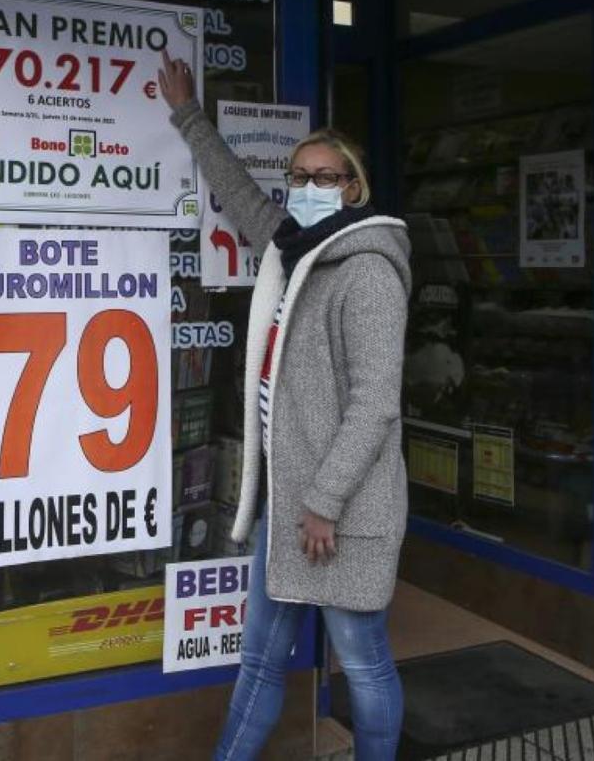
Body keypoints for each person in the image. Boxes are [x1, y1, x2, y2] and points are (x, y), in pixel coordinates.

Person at [158, 52, 410, 760]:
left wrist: (325, 501)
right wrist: (187, 114)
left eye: (323, 177)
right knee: (260, 662)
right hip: (289, 507)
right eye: (298, 176)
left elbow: (375, 405)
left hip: (342, 514)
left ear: (354, 189)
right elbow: (239, 194)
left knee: (362, 662)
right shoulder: (295, 250)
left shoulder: (366, 273)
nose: (306, 187)